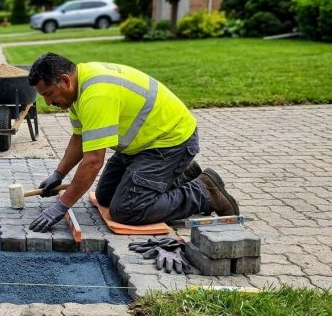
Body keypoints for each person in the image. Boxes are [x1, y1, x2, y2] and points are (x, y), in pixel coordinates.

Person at [26, 53, 239, 232]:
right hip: (142, 145)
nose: (48, 102)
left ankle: (204, 191)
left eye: (49, 94)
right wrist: (59, 174)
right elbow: (80, 138)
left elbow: (92, 163)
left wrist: (61, 206)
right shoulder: (78, 87)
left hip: (169, 143)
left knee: (127, 210)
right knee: (105, 196)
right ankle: (182, 174)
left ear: (65, 80)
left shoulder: (96, 95)